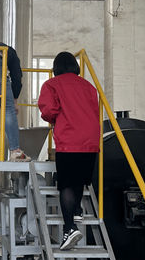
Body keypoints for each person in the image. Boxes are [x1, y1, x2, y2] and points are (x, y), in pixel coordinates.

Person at [38, 52, 100, 250]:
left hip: (70, 139)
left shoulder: (52, 85)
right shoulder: (89, 86)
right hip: (91, 140)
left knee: (65, 185)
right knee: (79, 180)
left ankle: (69, 228)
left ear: (56, 67)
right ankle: (77, 210)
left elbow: (48, 111)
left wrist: (55, 118)